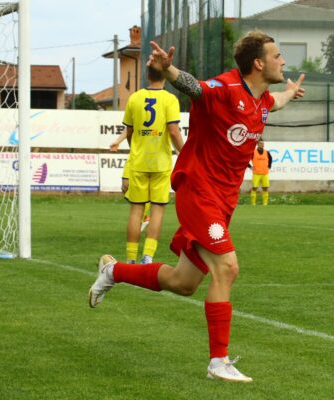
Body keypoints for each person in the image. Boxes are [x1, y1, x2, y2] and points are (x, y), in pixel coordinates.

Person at [88, 31, 305, 382]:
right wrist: (170, 71)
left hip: (222, 203)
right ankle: (218, 362)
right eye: (277, 55)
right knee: (227, 268)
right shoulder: (225, 89)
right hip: (198, 191)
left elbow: (277, 101)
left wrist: (291, 93)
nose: (283, 61)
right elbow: (196, 88)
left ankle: (113, 272)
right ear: (258, 63)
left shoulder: (261, 100)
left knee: (182, 282)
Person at [120, 65, 184, 264]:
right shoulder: (170, 99)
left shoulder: (135, 98)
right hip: (161, 163)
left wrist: (135, 148)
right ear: (165, 75)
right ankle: (147, 257)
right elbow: (173, 131)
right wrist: (184, 152)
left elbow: (129, 132)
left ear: (146, 76)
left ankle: (130, 258)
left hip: (139, 162)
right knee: (157, 210)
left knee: (136, 211)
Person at [110, 132, 151, 232]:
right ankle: (143, 217)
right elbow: (129, 128)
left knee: (144, 190)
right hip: (134, 155)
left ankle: (142, 218)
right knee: (125, 186)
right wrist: (117, 141)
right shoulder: (136, 117)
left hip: (149, 156)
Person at [249, 138, 272, 205]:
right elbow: (245, 160)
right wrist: (250, 167)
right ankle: (253, 203)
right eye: (260, 143)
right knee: (254, 188)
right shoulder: (253, 152)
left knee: (265, 188)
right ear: (257, 144)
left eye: (263, 143)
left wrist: (269, 165)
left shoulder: (266, 152)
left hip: (265, 173)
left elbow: (270, 159)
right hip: (256, 173)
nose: (262, 145)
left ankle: (265, 203)